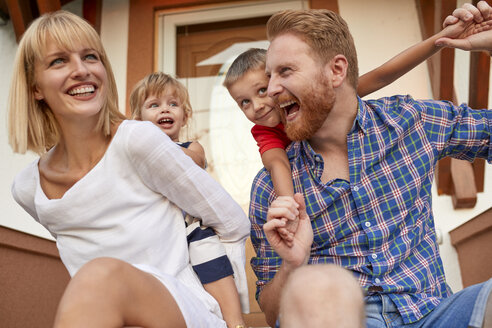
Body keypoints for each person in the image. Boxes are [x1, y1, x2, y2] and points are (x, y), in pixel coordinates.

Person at [249, 2, 492, 328]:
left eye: (285, 71)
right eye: (269, 76)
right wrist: (292, 264)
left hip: (435, 315)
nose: (272, 90)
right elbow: (270, 313)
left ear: (336, 70)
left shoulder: (410, 121)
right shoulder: (271, 189)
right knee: (311, 288)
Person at [8, 10, 250, 328]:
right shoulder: (28, 189)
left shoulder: (137, 140)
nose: (81, 70)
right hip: (108, 316)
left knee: (100, 274)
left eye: (90, 57)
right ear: (35, 87)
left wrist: (232, 318)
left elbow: (230, 222)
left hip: (182, 307)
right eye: (58, 61)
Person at [224, 23, 468, 244]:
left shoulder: (321, 99)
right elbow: (277, 163)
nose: (256, 106)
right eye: (244, 102)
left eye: (262, 91)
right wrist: (290, 207)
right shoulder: (264, 131)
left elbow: (383, 75)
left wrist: (440, 40)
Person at [129, 71, 247, 327]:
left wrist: (157, 147)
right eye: (154, 105)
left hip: (192, 227)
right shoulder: (134, 155)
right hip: (158, 230)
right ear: (138, 119)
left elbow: (196, 162)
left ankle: (235, 322)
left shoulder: (191, 146)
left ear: (185, 116)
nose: (165, 110)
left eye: (173, 104)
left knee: (213, 258)